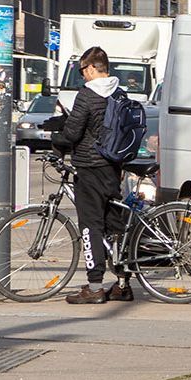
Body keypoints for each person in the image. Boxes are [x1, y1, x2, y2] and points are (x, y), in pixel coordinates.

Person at [55, 47, 130, 306]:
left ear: (90, 68)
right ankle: (122, 283)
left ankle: (95, 287)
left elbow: (73, 132)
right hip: (113, 168)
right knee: (114, 225)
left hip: (88, 167)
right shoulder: (119, 93)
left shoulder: (86, 96)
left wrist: (56, 142)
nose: (83, 76)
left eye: (82, 71)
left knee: (91, 226)